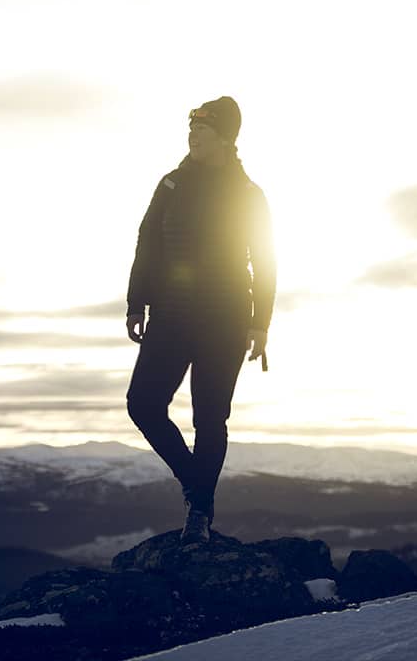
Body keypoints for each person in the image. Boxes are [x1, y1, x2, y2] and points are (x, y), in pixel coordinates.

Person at [125, 95, 276, 544]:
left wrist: (260, 322)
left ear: (226, 137)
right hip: (170, 315)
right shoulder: (171, 184)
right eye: (191, 128)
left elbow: (265, 260)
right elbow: (147, 242)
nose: (193, 135)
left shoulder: (249, 195)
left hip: (225, 320)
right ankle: (197, 487)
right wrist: (137, 302)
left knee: (210, 419)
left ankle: (199, 517)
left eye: (203, 129)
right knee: (143, 405)